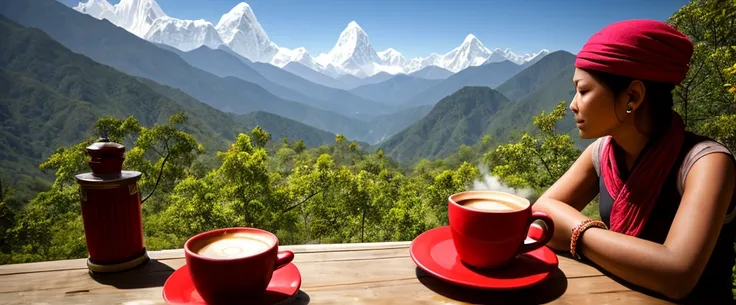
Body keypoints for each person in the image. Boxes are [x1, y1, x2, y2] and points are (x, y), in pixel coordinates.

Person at [531, 19, 736, 304]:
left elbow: (676, 274)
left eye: (584, 91)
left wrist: (579, 230)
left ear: (633, 96)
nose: (573, 104)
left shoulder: (706, 163)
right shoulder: (602, 154)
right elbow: (539, 221)